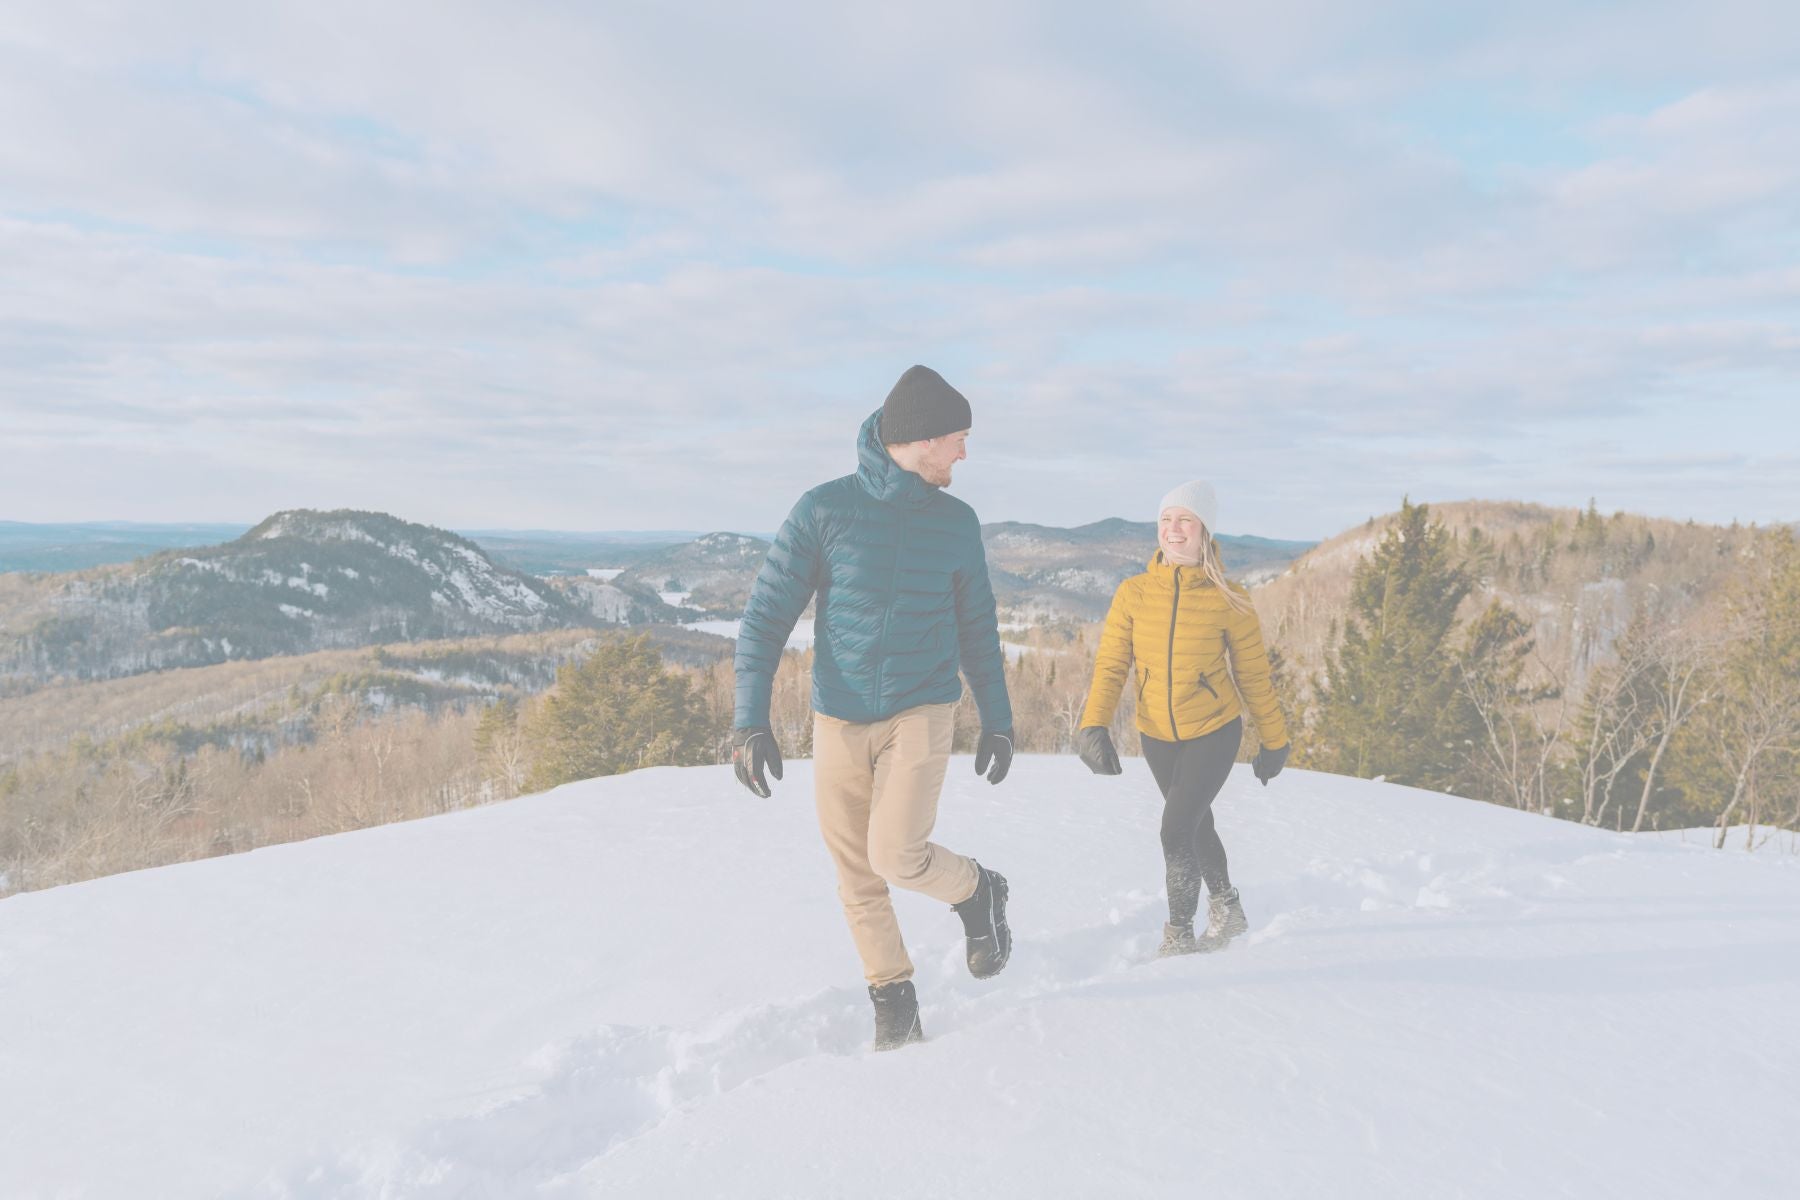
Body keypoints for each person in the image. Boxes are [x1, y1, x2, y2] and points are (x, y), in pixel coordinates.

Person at [731, 365, 1016, 1051]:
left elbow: (977, 627)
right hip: (839, 714)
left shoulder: (956, 523)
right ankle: (894, 1001)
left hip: (922, 709)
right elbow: (765, 617)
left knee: (895, 854)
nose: (964, 454)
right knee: (856, 872)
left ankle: (977, 890)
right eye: (959, 439)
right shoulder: (825, 510)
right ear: (922, 439)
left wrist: (999, 719)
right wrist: (750, 720)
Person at [1075, 480, 1290, 956]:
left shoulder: (1230, 598)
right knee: (1195, 824)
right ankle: (1228, 907)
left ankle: (1178, 936)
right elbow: (1111, 664)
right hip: (1156, 733)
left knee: (1174, 830)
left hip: (1214, 729)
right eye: (1166, 520)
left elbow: (1254, 676)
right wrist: (1093, 724)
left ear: (1204, 531)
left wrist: (1275, 741)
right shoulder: (1133, 593)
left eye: (1185, 520)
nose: (1173, 530)